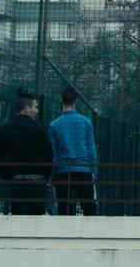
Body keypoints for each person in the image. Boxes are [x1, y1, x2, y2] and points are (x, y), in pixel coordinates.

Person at [0, 91, 54, 215]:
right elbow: (49, 156)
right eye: (35, 107)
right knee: (35, 219)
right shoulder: (40, 129)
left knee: (18, 216)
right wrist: (44, 177)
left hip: (16, 181)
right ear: (27, 108)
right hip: (37, 182)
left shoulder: (5, 129)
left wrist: (7, 175)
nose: (37, 111)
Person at [48, 87, 98, 216]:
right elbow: (91, 148)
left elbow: (53, 151)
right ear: (76, 101)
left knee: (64, 208)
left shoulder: (54, 125)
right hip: (83, 169)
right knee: (89, 209)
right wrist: (94, 171)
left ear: (61, 100)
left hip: (63, 170)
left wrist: (53, 173)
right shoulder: (85, 122)